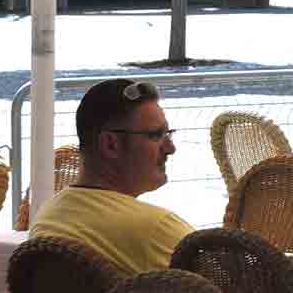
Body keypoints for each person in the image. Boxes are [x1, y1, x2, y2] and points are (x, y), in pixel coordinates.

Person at [27, 78, 193, 274]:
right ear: (110, 144)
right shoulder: (155, 230)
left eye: (168, 134)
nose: (170, 148)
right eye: (156, 135)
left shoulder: (48, 217)